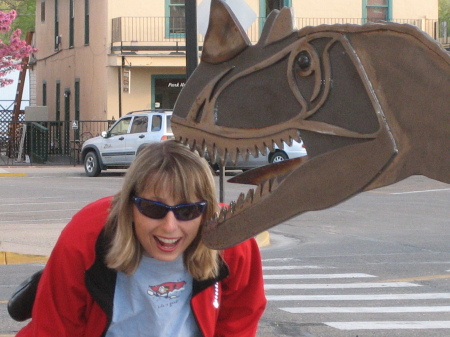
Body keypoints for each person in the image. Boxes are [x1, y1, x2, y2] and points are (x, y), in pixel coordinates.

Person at [16, 140, 266, 337]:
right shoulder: (86, 236)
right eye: (154, 209)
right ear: (129, 206)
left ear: (207, 211)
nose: (170, 227)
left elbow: (239, 323)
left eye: (187, 211)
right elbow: (55, 328)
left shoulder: (231, 238)